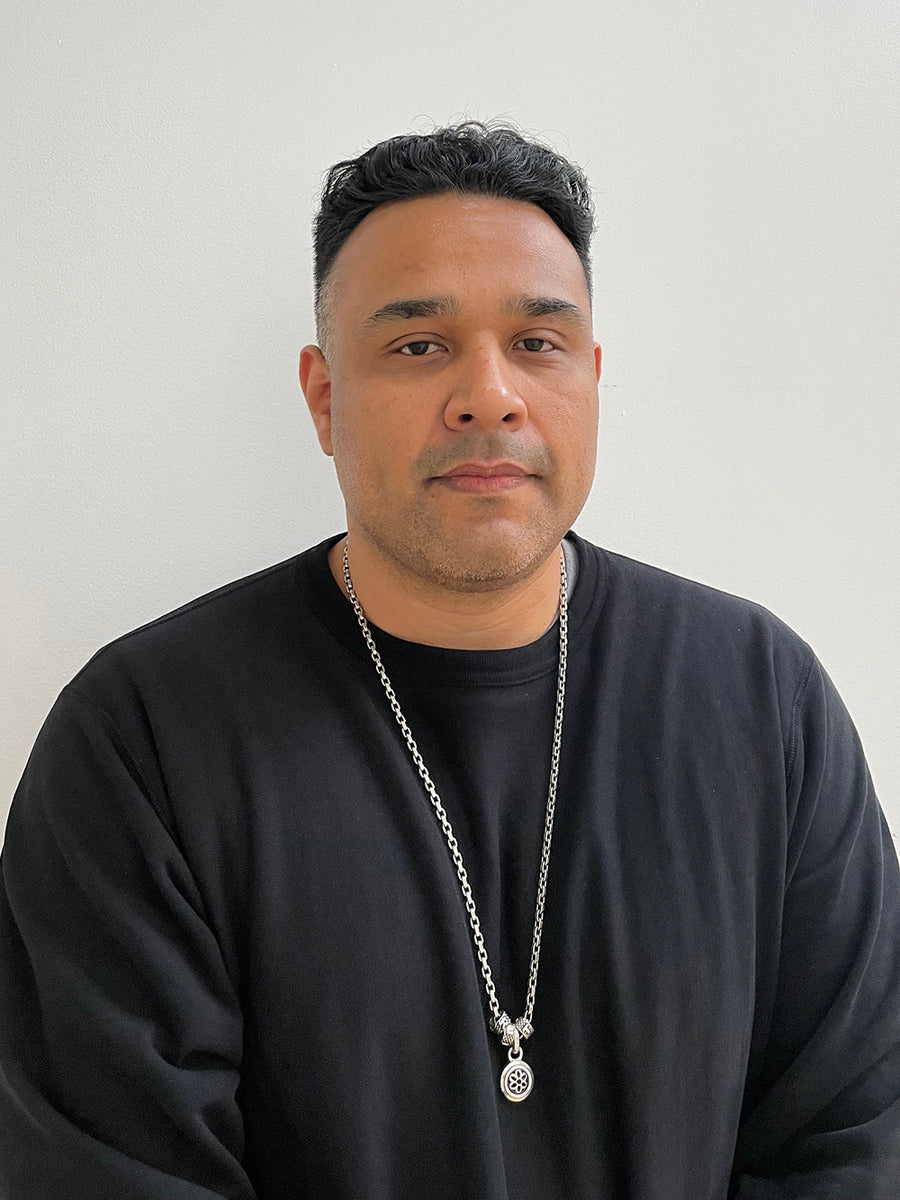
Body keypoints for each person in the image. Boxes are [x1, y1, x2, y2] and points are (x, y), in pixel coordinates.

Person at [1, 122, 898, 1200]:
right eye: (419, 346)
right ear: (325, 398)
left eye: (538, 342)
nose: (489, 395)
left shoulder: (763, 697)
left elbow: (857, 1134)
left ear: (593, 379)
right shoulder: (142, 738)